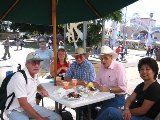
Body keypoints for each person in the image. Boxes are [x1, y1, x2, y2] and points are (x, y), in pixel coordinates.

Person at [5, 52, 61, 120]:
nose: (37, 65)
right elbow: (23, 104)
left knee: (56, 118)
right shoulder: (19, 77)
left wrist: (42, 89)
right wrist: (41, 119)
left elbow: (38, 84)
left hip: (31, 106)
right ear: (26, 64)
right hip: (15, 109)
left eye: (38, 63)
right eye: (33, 63)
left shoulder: (34, 74)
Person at [94, 46, 127, 119]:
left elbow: (123, 88)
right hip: (102, 96)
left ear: (111, 57)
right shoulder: (102, 66)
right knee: (85, 106)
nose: (103, 61)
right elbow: (97, 82)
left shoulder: (119, 67)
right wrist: (88, 85)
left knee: (102, 115)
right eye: (101, 58)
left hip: (117, 97)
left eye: (106, 58)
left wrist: (108, 89)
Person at [35, 36, 53, 105]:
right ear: (38, 43)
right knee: (38, 90)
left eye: (43, 41)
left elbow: (53, 62)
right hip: (38, 73)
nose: (42, 43)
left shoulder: (50, 51)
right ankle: (36, 106)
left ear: (46, 42)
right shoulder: (36, 51)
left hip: (47, 73)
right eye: (40, 42)